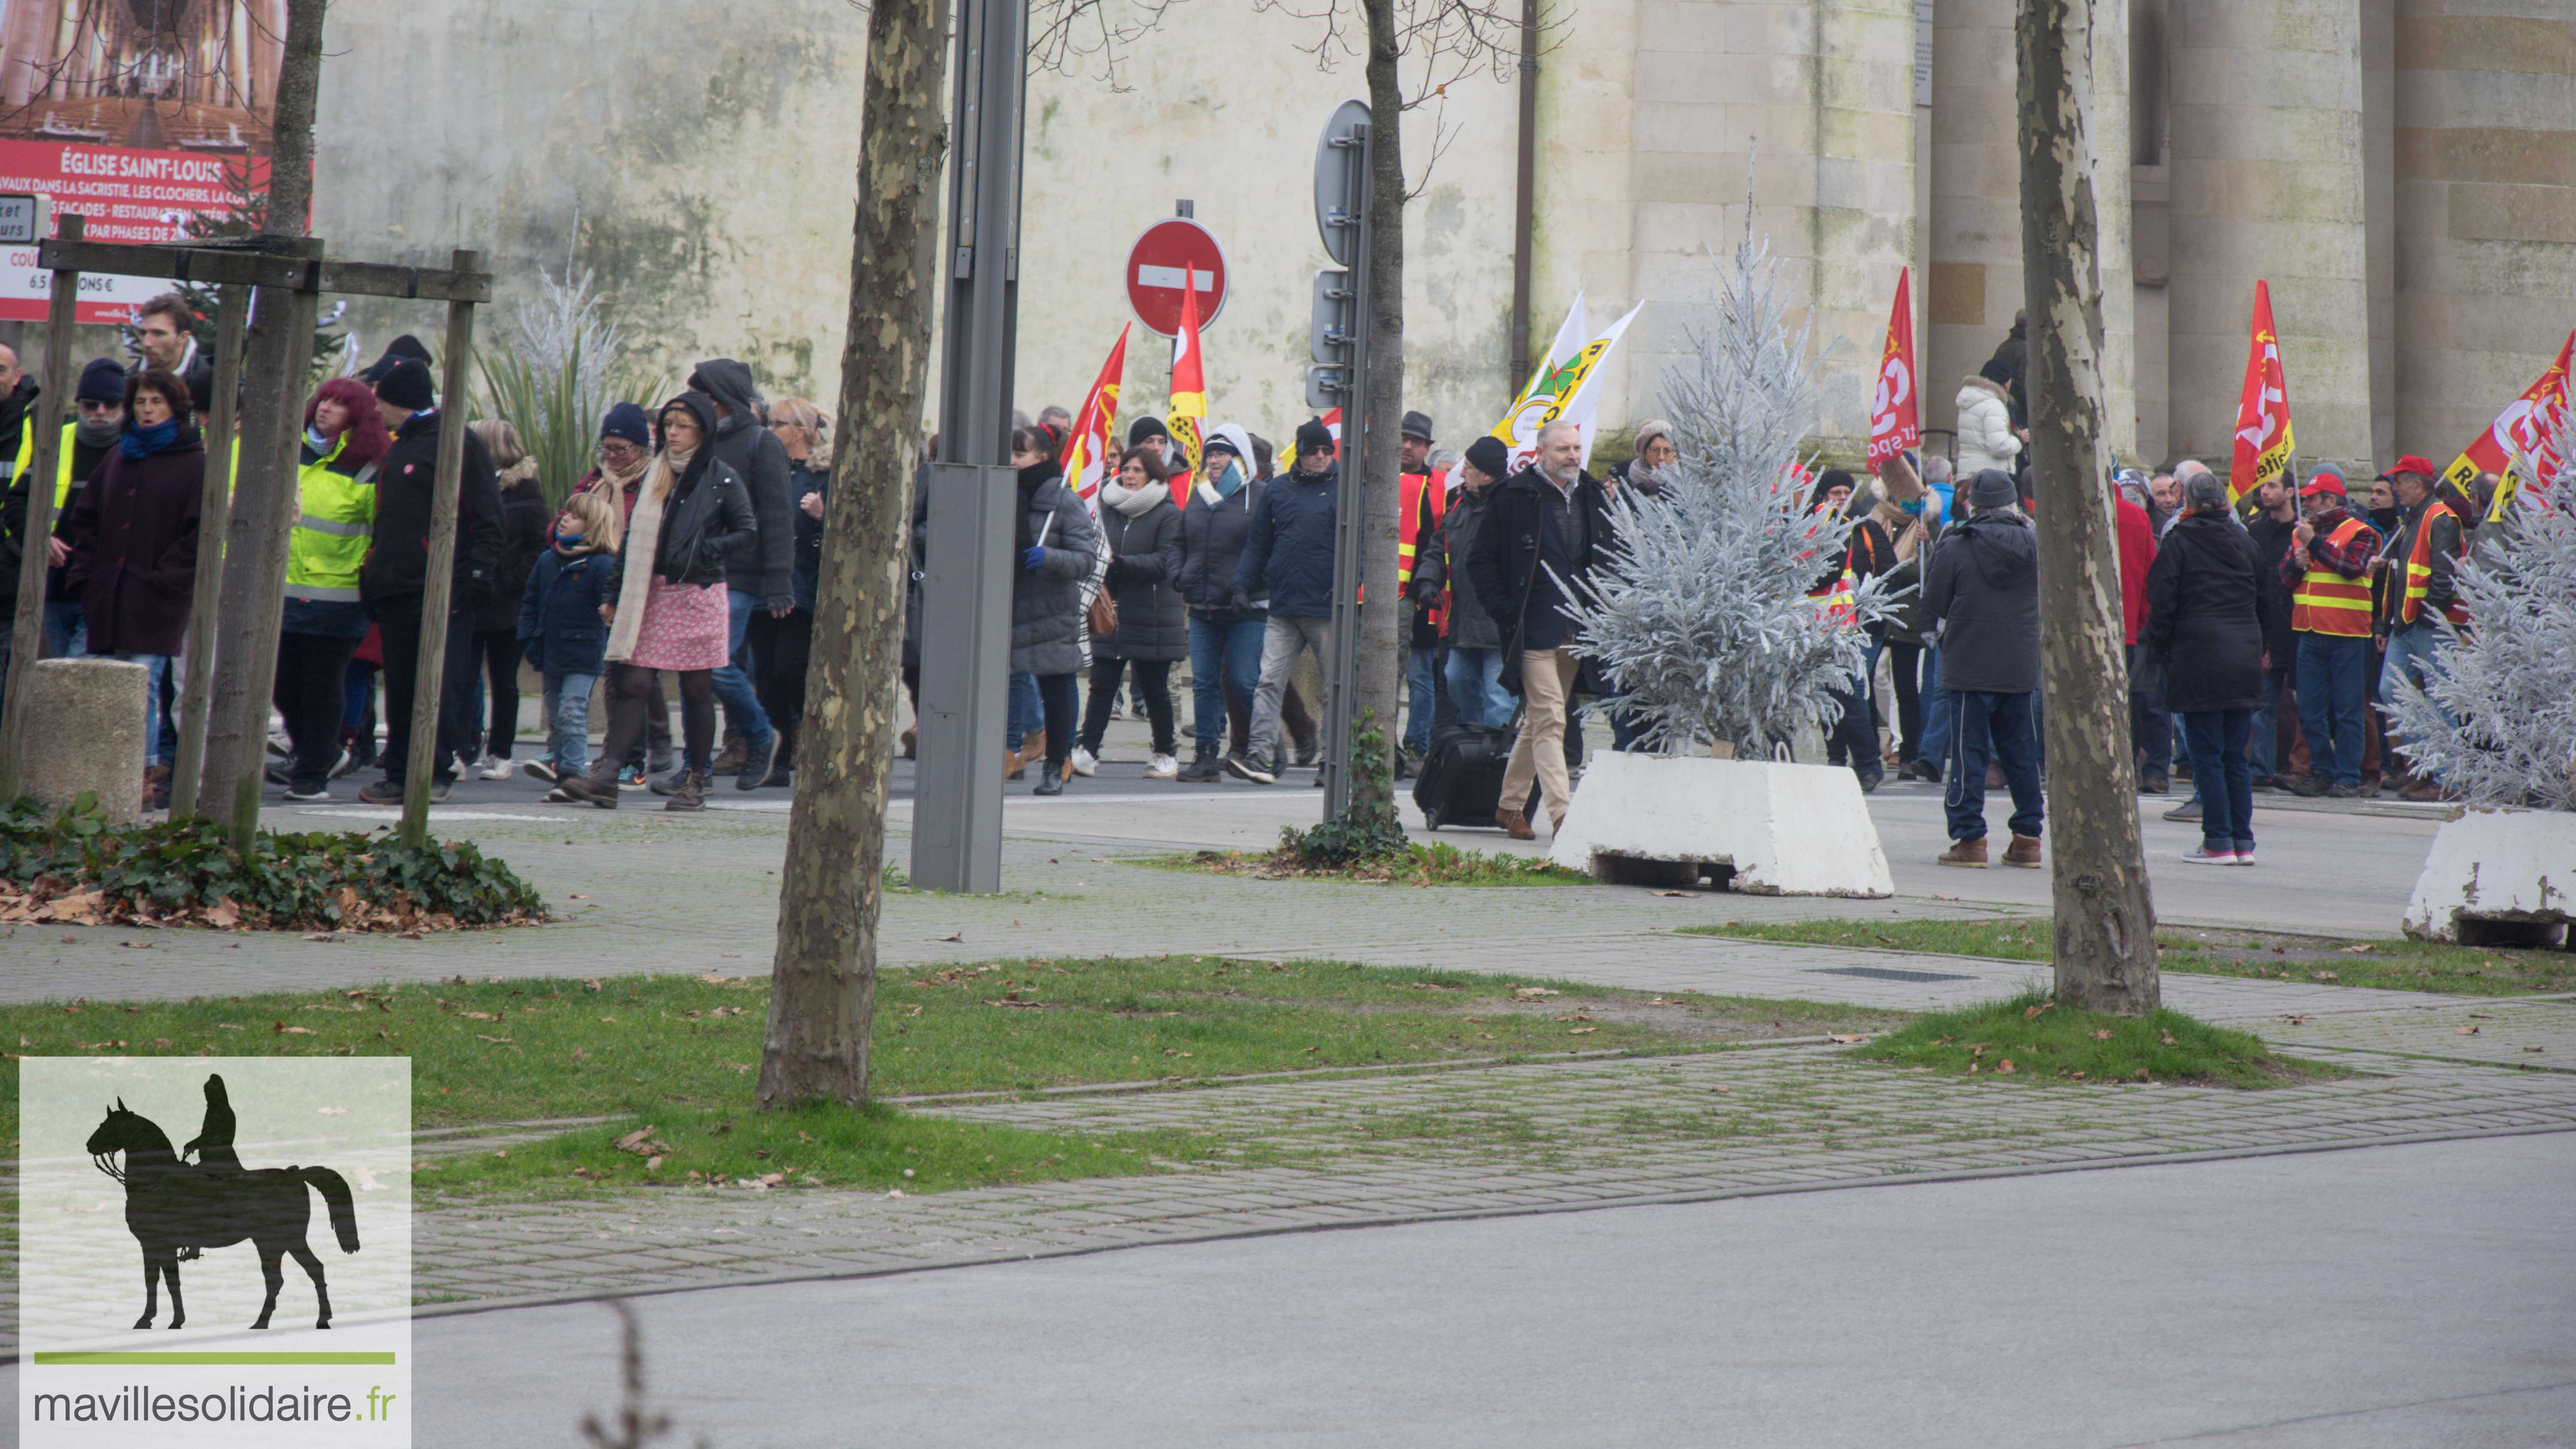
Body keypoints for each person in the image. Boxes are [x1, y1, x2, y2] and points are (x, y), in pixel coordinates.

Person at [559, 393, 757, 811]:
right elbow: (631, 540)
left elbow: (748, 532)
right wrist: (613, 593)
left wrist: (706, 551)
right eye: (669, 426)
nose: (673, 433)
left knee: (697, 689)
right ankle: (610, 774)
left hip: (699, 594)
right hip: (650, 591)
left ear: (701, 431)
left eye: (683, 426)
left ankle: (696, 783)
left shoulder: (721, 478)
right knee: (633, 682)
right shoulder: (655, 475)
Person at [355, 358, 503, 807]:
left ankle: (435, 769)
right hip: (397, 589)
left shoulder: (457, 444)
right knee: (400, 683)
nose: (375, 409)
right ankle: (400, 772)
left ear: (400, 401)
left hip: (439, 589)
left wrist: (474, 574)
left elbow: (488, 517)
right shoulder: (405, 446)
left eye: (381, 399)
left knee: (436, 682)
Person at [61, 368, 202, 806]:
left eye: (156, 402)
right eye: (141, 402)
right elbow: (85, 518)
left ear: (174, 408)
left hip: (158, 597)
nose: (147, 410)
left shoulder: (194, 460)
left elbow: (198, 532)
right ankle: (91, 774)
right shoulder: (119, 457)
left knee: (143, 685)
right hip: (109, 589)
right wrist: (86, 572)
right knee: (93, 682)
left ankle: (136, 778)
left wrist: (168, 579)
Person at [1467, 419, 1612, 838]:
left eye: (1576, 448)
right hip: (1530, 628)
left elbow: (1604, 556)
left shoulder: (1592, 494)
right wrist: (1505, 609)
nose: (1572, 456)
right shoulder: (1513, 497)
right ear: (1542, 454)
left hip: (1576, 627)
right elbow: (1480, 561)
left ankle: (1509, 808)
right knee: (1551, 718)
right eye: (1563, 449)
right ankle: (1563, 816)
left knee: (1537, 722)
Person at [271, 377, 389, 799]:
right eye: (324, 400)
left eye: (339, 405)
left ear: (357, 416)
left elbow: (379, 531)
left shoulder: (369, 466)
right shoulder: (289, 451)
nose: (325, 409)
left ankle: (312, 774)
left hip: (339, 599)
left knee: (322, 688)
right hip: (283, 593)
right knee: (283, 686)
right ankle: (318, 753)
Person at [1923, 469, 2043, 868]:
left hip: (1969, 662)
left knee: (1968, 753)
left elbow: (1936, 601)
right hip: (2020, 662)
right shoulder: (2035, 544)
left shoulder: (1957, 544)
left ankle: (1970, 838)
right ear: (2013, 503)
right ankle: (2028, 837)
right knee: (2021, 752)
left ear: (1973, 502)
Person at [684, 360, 793, 790]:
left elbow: (778, 516)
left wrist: (780, 583)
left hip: (741, 576)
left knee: (713, 664)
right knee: (694, 668)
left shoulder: (761, 444)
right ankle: (697, 768)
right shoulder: (696, 444)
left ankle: (761, 736)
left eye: (703, 400)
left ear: (721, 402)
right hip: (693, 574)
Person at [2145, 473, 2265, 864]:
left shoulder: (2179, 541)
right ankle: (2242, 842)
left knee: (2207, 755)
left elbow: (2162, 601)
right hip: (2244, 652)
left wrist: (2160, 649)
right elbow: (2267, 596)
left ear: (2190, 501)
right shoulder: (2244, 541)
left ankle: (2217, 841)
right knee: (2235, 756)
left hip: (2199, 654)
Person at [1229, 422, 1338, 785]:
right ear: (1300, 453)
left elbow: (1364, 545)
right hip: (1284, 607)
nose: (1320, 457)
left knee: (1333, 687)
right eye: (1313, 451)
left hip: (1328, 609)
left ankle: (1334, 763)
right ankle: (1260, 756)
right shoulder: (1278, 490)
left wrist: (1352, 584)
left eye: (1326, 451)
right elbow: (1258, 544)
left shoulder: (1349, 488)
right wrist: (1242, 586)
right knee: (1267, 682)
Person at [3, 358, 127, 665]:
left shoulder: (133, 450)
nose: (100, 412)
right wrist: (39, 538)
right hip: (55, 587)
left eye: (110, 405)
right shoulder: (56, 441)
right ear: (79, 404)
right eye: (91, 404)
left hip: (104, 589)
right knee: (59, 673)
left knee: (76, 674)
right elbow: (16, 504)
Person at [1075, 446, 1185, 779]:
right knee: (1103, 684)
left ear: (1152, 474)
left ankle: (1165, 751)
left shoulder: (1168, 513)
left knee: (1154, 688)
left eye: (1137, 470)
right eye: (1126, 469)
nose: (1129, 475)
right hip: (1110, 613)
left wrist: (1119, 563)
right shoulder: (1106, 507)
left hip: (1151, 614)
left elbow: (1164, 562)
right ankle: (1088, 750)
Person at [575, 401, 669, 786]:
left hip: (640, 583)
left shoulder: (654, 481)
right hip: (602, 582)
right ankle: (624, 755)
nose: (612, 457)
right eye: (607, 448)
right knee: (622, 671)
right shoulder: (595, 480)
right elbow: (563, 523)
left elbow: (637, 535)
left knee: (632, 670)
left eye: (621, 449)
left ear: (642, 450)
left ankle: (641, 751)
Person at [1004, 422, 1097, 796]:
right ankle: (1005, 753)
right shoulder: (1000, 493)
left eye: (1019, 453)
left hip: (1050, 611)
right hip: (1009, 607)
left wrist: (1050, 557)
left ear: (1043, 457)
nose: (1011, 461)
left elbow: (1085, 560)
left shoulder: (1064, 500)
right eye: (1009, 453)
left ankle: (1056, 764)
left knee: (1056, 689)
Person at [1173, 424, 1267, 781]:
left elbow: (1269, 549)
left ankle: (1265, 746)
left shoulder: (1260, 495)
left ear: (1239, 457)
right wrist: (1178, 573)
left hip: (1247, 608)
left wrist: (1251, 586)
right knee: (1204, 682)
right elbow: (1180, 541)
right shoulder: (1199, 495)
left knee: (1244, 679)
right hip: (1203, 606)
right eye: (1210, 454)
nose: (1214, 460)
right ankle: (1206, 756)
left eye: (1222, 453)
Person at [2280, 471, 2379, 797]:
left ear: (2331, 501)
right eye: (2305, 498)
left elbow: (2352, 568)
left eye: (2312, 497)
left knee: (2348, 709)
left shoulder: (2361, 532)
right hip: (2309, 633)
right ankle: (2322, 771)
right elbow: (2283, 580)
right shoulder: (2302, 535)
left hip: (2348, 634)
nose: (2305, 503)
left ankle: (2348, 776)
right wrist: (2296, 564)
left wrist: (2314, 543)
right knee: (2309, 709)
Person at [746, 397, 828, 790]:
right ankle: (777, 759)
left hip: (802, 590)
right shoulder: (766, 469)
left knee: (789, 668)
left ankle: (812, 736)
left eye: (775, 424)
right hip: (763, 586)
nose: (768, 431)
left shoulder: (823, 475)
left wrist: (821, 517)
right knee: (765, 675)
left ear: (799, 431)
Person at [2374, 455, 2464, 802]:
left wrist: (2430, 617)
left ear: (2418, 484)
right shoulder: (2413, 519)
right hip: (2407, 624)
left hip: (2425, 624)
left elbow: (2444, 575)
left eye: (2399, 481)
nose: (2395, 488)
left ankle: (2447, 779)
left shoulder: (2440, 518)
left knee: (2441, 700)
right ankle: (2426, 768)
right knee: (2391, 692)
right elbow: (2403, 574)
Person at [518, 489, 620, 793]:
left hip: (584, 652)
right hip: (550, 650)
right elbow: (531, 601)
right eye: (566, 513)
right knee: (555, 712)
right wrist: (528, 637)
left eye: (576, 517)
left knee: (572, 711)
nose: (565, 519)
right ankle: (560, 765)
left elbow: (610, 607)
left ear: (592, 527)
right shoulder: (548, 559)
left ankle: (573, 772)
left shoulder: (601, 564)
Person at [466, 420, 549, 780]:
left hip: (507, 602)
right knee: (462, 676)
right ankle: (460, 746)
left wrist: (511, 581)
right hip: (471, 596)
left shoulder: (525, 488)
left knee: (504, 680)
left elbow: (538, 544)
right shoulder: (468, 484)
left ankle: (500, 752)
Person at [1414, 435, 1513, 728]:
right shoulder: (1459, 506)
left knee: (1499, 697)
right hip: (1464, 621)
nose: (1461, 472)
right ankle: (1475, 746)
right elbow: (1437, 549)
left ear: (1486, 474)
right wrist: (1427, 583)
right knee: (1456, 680)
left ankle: (1497, 760)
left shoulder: (1510, 506)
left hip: (1498, 625)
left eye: (1467, 467)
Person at [1807, 469, 1888, 789]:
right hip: (1819, 625)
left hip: (1853, 626)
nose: (1841, 498)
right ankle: (1837, 758)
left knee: (1850, 695)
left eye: (1846, 492)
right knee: (1831, 695)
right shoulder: (1814, 524)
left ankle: (1868, 764)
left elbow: (1886, 570)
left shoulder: (1859, 528)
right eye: (1835, 492)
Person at [1395, 410, 1445, 775]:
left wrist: (1426, 590)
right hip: (1380, 597)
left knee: (1420, 676)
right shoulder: (1376, 478)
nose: (1407, 446)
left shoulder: (1440, 486)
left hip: (1423, 598)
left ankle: (1416, 748)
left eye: (1415, 441)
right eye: (1403, 438)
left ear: (1427, 448)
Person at [2114, 475, 2167, 793]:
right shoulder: (2137, 518)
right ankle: (2134, 765)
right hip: (2130, 628)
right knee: (2134, 700)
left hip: (2097, 629)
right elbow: (2151, 575)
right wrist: (2141, 620)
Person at [129, 293, 214, 413]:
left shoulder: (209, 386)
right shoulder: (128, 382)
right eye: (144, 333)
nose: (147, 343)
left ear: (183, 337)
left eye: (159, 334)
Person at [1954, 361, 2021, 478]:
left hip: (1968, 475)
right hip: (1990, 478)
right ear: (2005, 383)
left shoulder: (1970, 400)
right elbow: (1999, 447)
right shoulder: (1994, 405)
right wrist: (2019, 439)